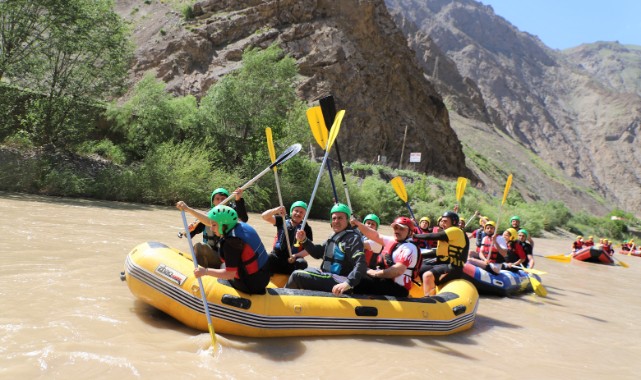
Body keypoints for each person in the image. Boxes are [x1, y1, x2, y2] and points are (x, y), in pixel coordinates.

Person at [176, 202, 270, 295]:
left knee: (219, 271)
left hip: (250, 284)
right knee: (223, 265)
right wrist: (188, 209)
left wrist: (205, 271)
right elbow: (209, 221)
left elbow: (230, 274)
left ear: (222, 225)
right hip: (264, 275)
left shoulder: (231, 243)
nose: (211, 228)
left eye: (214, 225)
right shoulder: (240, 225)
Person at [285, 203, 366, 295]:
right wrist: (304, 240)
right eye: (334, 218)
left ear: (347, 220)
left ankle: (282, 302)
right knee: (304, 269)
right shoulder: (334, 236)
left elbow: (361, 263)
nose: (336, 221)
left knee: (297, 275)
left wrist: (348, 283)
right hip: (329, 276)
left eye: (340, 218)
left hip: (340, 281)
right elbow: (318, 253)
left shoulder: (352, 238)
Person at [351, 216, 419, 297]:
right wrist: (357, 223)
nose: (397, 231)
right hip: (386, 281)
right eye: (396, 228)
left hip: (399, 289)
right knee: (356, 275)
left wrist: (375, 273)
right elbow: (375, 235)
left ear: (410, 232)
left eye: (401, 229)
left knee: (360, 281)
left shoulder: (409, 248)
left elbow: (397, 270)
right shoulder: (394, 240)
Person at [181, 187, 248, 269]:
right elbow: (188, 235)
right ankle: (201, 273)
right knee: (199, 246)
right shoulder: (206, 216)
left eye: (223, 199)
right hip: (214, 255)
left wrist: (238, 199)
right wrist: (189, 230)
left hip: (227, 258)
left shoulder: (231, 214)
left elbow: (243, 219)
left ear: (227, 201)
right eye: (217, 199)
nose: (220, 201)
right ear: (213, 201)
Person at [415, 211, 469, 297]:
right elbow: (438, 253)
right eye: (442, 221)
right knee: (417, 269)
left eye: (445, 221)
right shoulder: (448, 235)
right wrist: (419, 254)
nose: (442, 223)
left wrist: (415, 236)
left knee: (427, 275)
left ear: (454, 222)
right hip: (443, 264)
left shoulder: (456, 231)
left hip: (454, 267)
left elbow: (435, 236)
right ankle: (422, 292)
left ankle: (429, 300)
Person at [261, 201, 312, 275]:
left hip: (292, 260)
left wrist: (295, 256)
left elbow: (309, 250)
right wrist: (276, 210)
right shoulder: (282, 220)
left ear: (304, 215)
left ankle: (294, 281)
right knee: (266, 258)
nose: (298, 214)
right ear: (291, 211)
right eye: (296, 211)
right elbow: (264, 216)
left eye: (301, 212)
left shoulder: (307, 228)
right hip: (277, 257)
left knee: (302, 263)